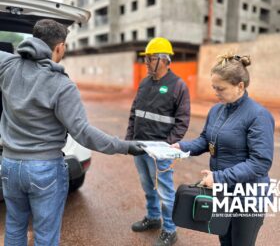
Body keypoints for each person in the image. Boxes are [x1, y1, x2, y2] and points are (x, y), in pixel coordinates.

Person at [0, 19, 144, 246]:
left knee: (15, 226)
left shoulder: (8, 65)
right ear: (59, 47)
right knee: (45, 235)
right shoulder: (61, 85)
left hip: (9, 165)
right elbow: (83, 133)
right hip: (44, 169)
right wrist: (125, 146)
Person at [172, 54, 274, 246]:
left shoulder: (258, 115)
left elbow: (260, 162)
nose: (216, 93)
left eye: (221, 88)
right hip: (224, 193)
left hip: (248, 197)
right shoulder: (216, 111)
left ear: (240, 86)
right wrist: (181, 147)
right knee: (224, 239)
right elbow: (205, 140)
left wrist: (219, 177)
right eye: (214, 87)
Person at [126, 37, 190, 246]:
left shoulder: (178, 85)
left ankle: (170, 229)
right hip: (140, 146)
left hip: (160, 151)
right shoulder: (144, 83)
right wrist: (129, 141)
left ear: (163, 60)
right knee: (148, 187)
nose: (146, 62)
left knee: (165, 190)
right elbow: (134, 112)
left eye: (150, 58)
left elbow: (182, 122)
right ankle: (153, 218)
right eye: (146, 58)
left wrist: (166, 146)